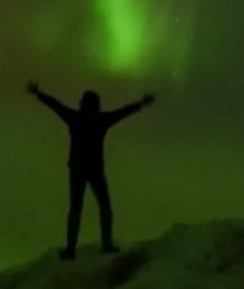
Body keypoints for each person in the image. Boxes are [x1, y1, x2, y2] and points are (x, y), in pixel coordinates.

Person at [26, 80, 156, 259]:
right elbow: (122, 113)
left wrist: (38, 93)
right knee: (103, 206)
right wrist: (141, 103)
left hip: (79, 169)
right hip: (94, 170)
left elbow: (56, 106)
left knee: (77, 208)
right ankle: (106, 245)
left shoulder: (76, 118)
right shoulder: (100, 120)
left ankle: (72, 249)